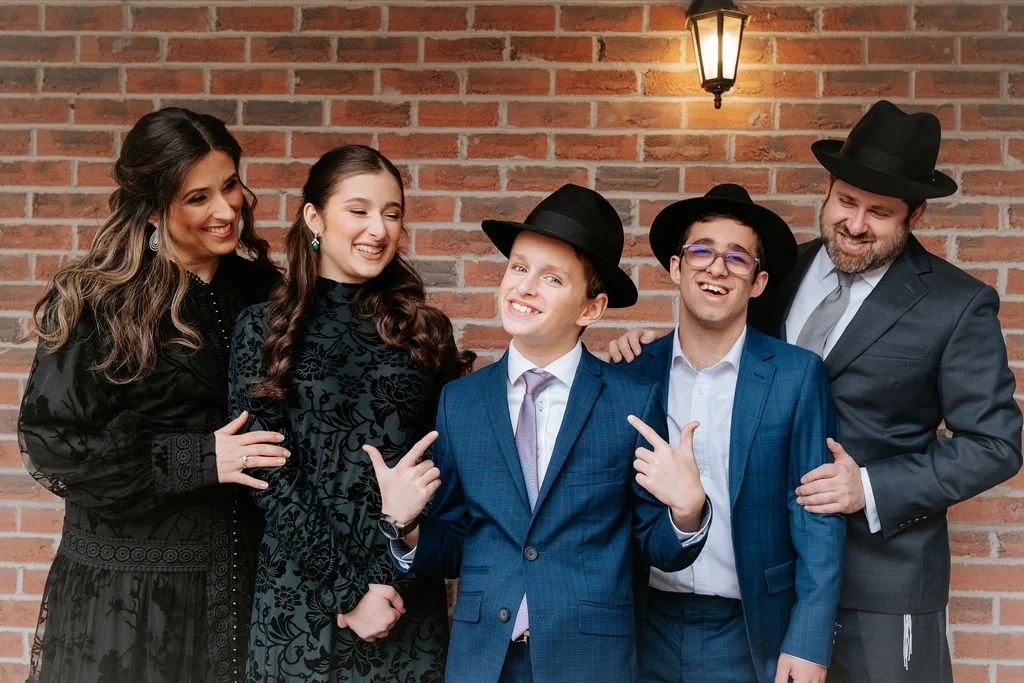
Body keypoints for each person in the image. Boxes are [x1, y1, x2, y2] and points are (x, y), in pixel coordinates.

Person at [609, 100, 1023, 683]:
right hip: (771, 575)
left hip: (882, 583)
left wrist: (870, 486)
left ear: (916, 215)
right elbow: (721, 337)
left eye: (879, 212)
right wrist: (649, 346)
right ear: (827, 190)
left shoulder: (956, 305)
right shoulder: (780, 272)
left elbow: (996, 444)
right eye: (847, 201)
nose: (856, 224)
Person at [368, 183, 712, 683]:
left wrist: (686, 511)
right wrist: (404, 525)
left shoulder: (630, 400)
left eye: (552, 278)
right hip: (483, 661)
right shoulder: (461, 401)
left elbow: (654, 546)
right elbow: (458, 543)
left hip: (589, 662)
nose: (524, 287)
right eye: (519, 268)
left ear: (591, 308)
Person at [18, 107, 285, 683]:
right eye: (197, 197)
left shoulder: (266, 293)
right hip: (131, 604)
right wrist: (196, 458)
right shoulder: (98, 300)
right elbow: (52, 444)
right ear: (153, 205)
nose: (225, 210)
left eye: (231, 185)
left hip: (243, 588)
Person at [228, 145, 470, 681]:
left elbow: (442, 468)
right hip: (299, 595)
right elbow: (268, 474)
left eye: (392, 213)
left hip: (401, 597)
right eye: (358, 210)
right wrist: (348, 592)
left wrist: (387, 580)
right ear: (315, 218)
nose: (378, 229)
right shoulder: (260, 328)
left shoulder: (426, 331)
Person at [621, 183, 844, 683]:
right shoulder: (631, 372)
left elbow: (817, 516)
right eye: (701, 251)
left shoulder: (795, 375)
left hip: (748, 629)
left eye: (737, 259)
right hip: (642, 623)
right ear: (676, 268)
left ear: (758, 282)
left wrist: (809, 639)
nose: (717, 268)